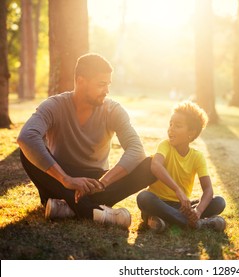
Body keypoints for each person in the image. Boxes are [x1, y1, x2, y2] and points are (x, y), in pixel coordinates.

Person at [17, 53, 156, 229]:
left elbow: (136, 149)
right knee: (26, 151)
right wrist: (66, 180)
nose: (106, 90)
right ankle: (96, 212)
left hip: (97, 183)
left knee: (150, 165)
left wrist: (103, 182)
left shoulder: (113, 110)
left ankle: (67, 207)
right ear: (80, 81)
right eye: (101, 84)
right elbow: (26, 136)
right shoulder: (55, 105)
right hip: (60, 181)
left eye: (108, 84)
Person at [136, 101, 226, 233]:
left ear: (191, 132)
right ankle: (199, 224)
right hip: (158, 203)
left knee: (219, 201)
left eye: (177, 126)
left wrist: (198, 211)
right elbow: (155, 166)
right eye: (170, 124)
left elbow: (208, 190)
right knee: (143, 197)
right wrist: (178, 190)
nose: (170, 129)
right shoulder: (165, 146)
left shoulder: (197, 157)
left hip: (182, 206)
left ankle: (168, 221)